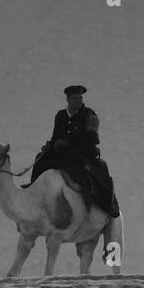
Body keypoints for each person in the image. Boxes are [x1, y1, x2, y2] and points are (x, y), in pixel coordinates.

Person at [23, 85, 121, 217]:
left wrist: (69, 142)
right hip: (62, 150)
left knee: (83, 168)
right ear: (68, 100)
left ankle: (94, 198)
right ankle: (34, 188)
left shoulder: (89, 114)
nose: (79, 101)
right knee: (41, 158)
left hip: (83, 150)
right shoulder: (60, 115)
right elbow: (56, 135)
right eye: (75, 98)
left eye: (80, 98)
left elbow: (91, 137)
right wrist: (51, 144)